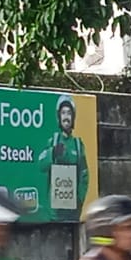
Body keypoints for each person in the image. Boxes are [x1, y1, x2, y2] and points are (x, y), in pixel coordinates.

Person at [36, 94, 89, 224]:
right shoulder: (52, 141)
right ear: (59, 117)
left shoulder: (78, 145)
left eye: (69, 113)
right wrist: (52, 153)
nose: (66, 117)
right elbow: (41, 164)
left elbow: (84, 175)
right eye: (63, 113)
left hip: (72, 212)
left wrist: (79, 199)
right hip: (54, 213)